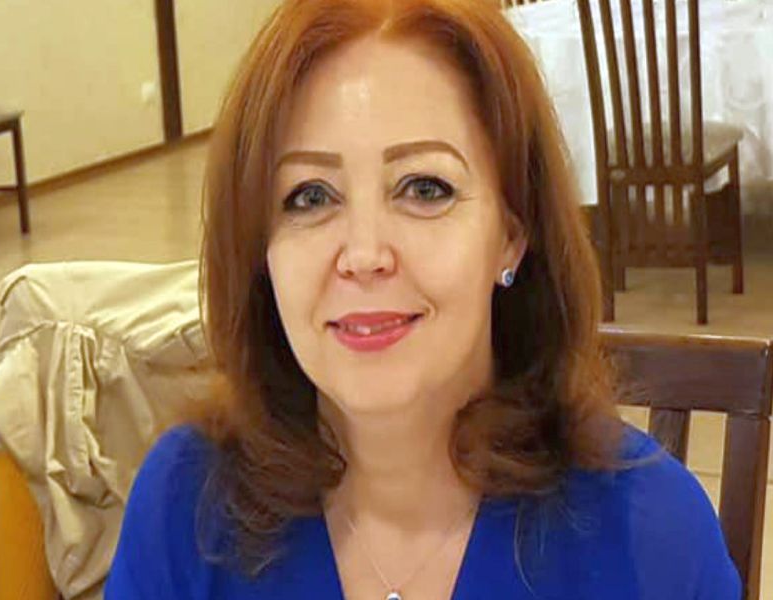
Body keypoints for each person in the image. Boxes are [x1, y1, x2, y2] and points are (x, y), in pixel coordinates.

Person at [105, 0, 740, 598]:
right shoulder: (185, 506)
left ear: (511, 234)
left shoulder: (653, 537)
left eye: (424, 188)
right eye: (310, 196)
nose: (364, 254)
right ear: (259, 252)